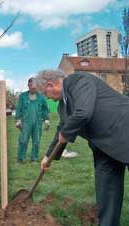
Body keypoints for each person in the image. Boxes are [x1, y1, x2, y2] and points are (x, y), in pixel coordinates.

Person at [35, 70, 129, 226]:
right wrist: (47, 157)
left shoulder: (79, 81)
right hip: (104, 148)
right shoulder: (62, 106)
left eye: (45, 93)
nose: (47, 97)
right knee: (106, 194)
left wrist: (65, 132)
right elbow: (61, 130)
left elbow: (83, 112)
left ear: (50, 85)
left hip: (124, 130)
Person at [15, 77, 49, 162]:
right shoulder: (23, 96)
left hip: (38, 123)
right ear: (28, 85)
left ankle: (34, 158)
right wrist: (18, 120)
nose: (33, 87)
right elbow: (18, 108)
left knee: (36, 141)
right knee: (23, 140)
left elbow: (45, 109)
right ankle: (21, 158)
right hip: (26, 122)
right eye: (31, 85)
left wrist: (46, 120)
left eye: (34, 86)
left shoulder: (41, 97)